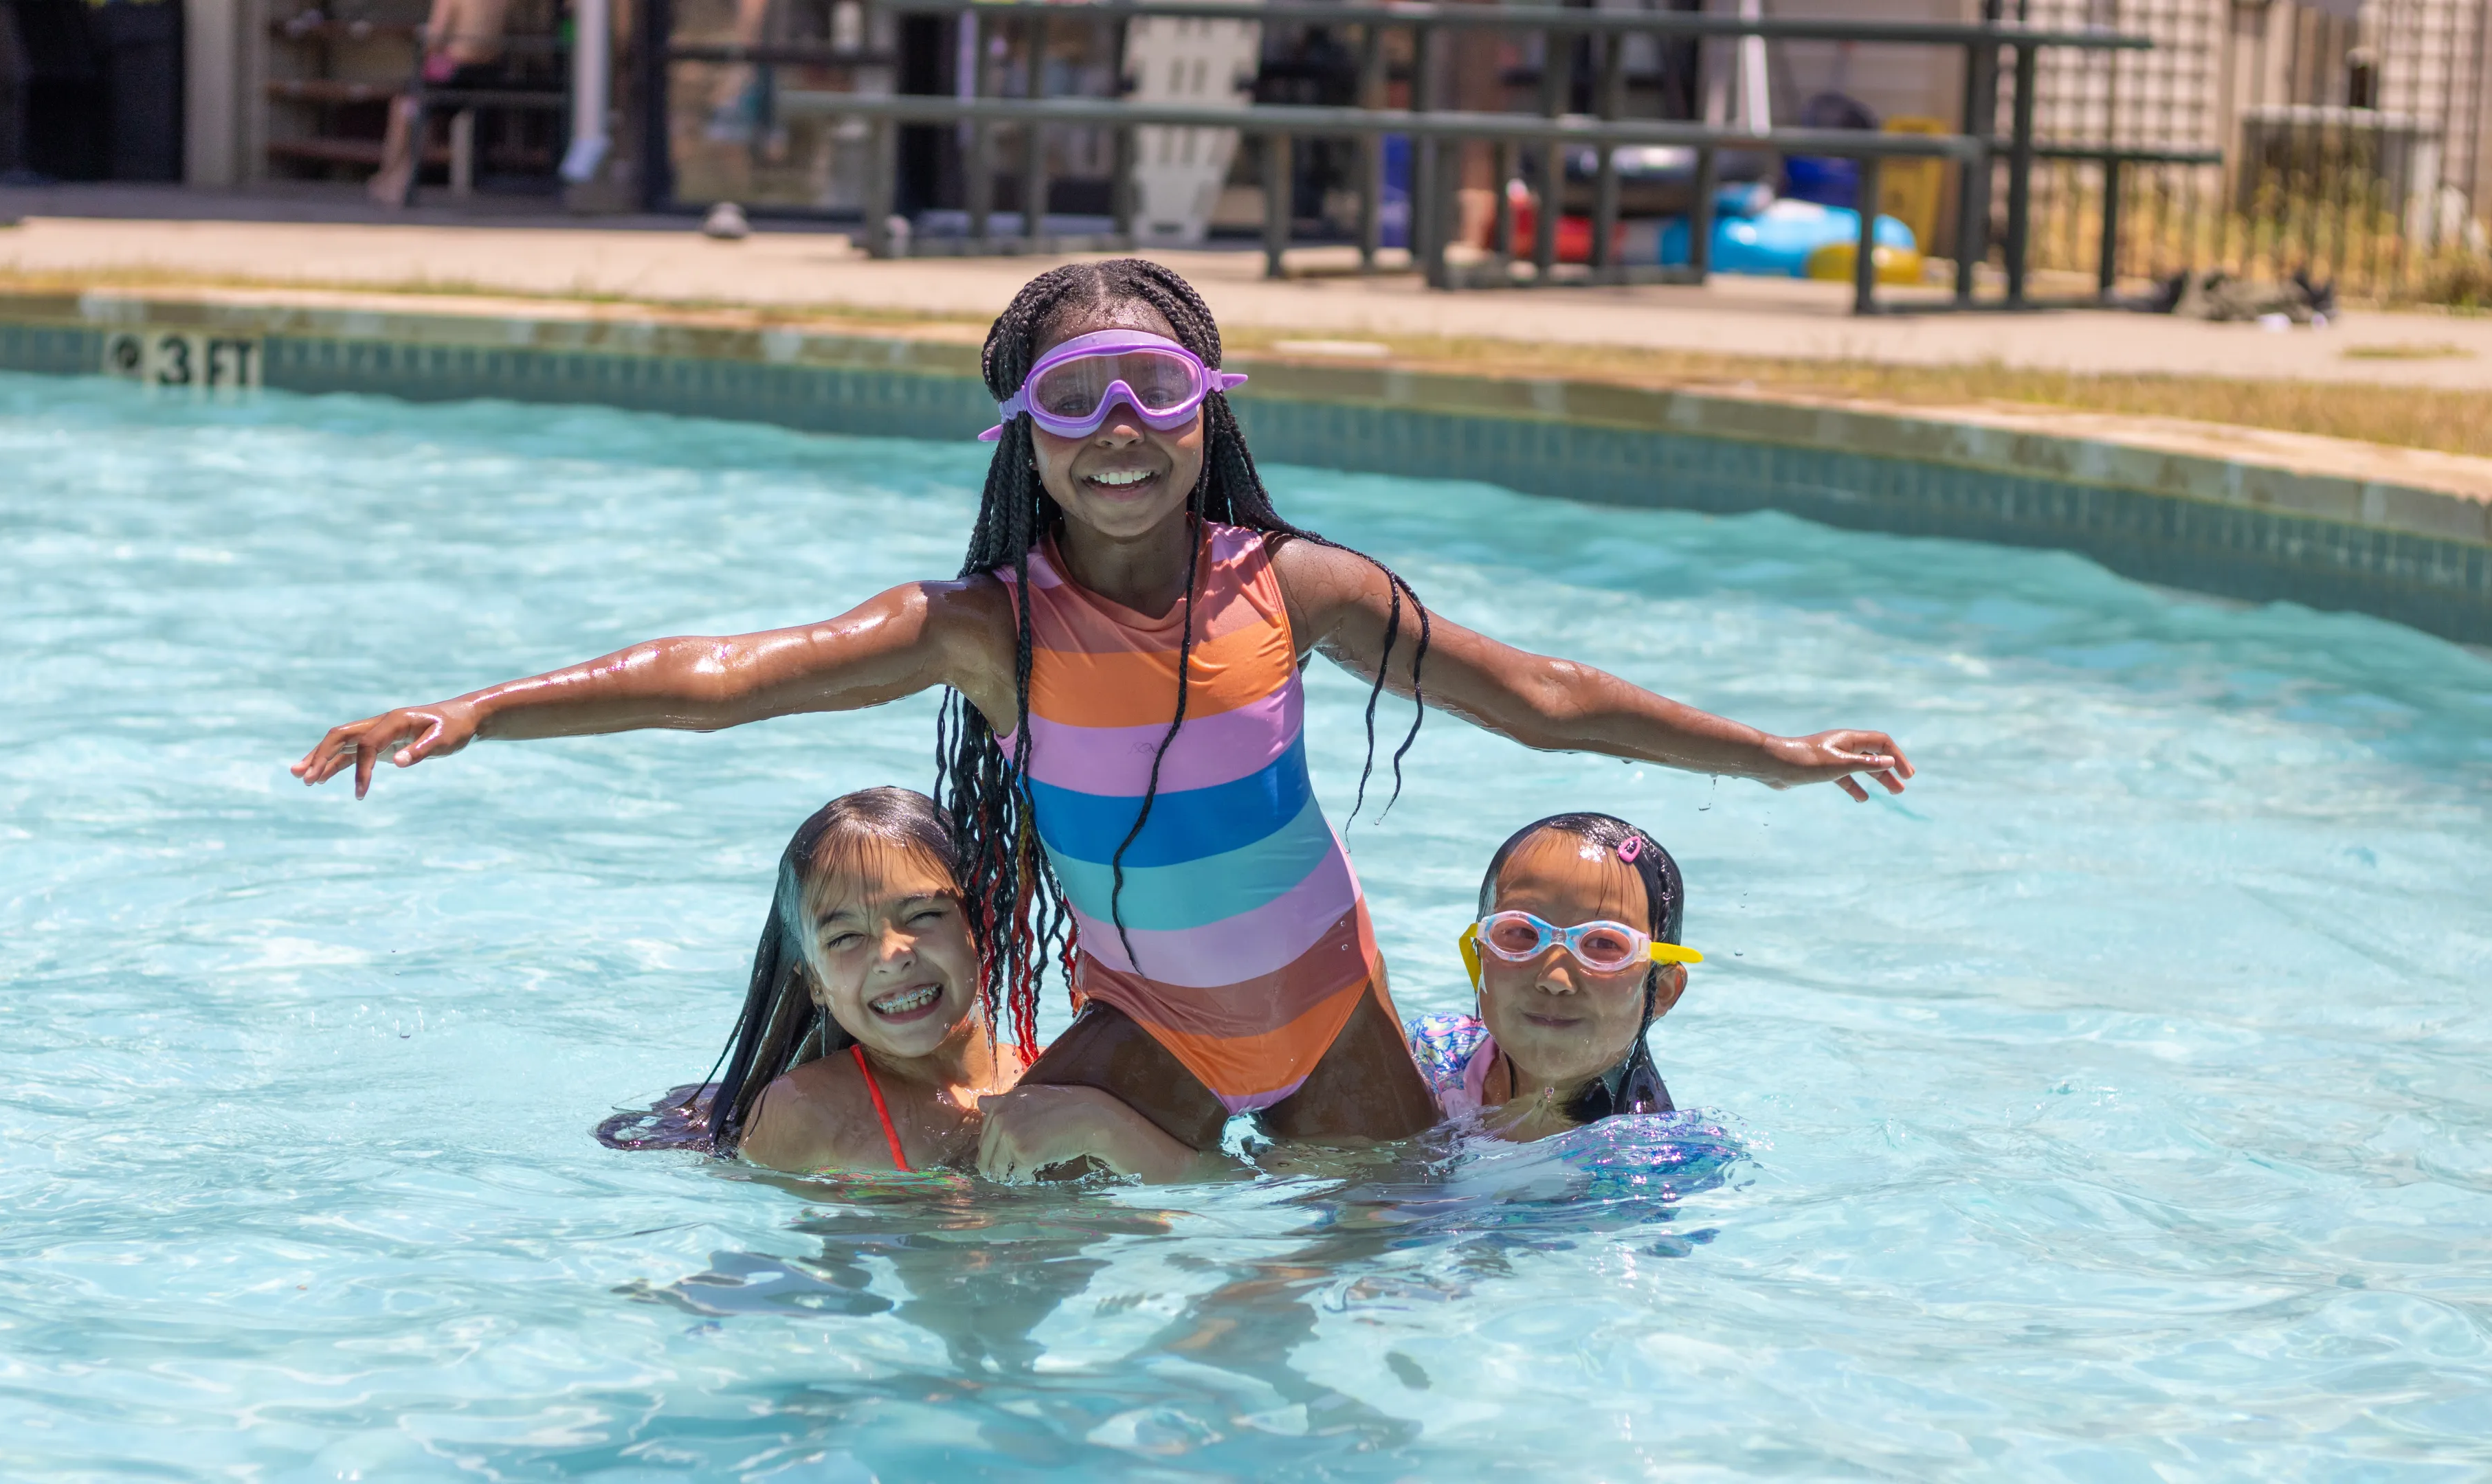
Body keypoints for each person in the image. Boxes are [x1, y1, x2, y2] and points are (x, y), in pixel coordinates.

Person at [291, 258, 1911, 1168]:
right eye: (1074, 401)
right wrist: (480, 711)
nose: (1119, 431)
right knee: (1006, 1183)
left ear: (1208, 416)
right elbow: (725, 677)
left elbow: (1543, 701)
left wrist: (1768, 754)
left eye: (1156, 394)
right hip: (1150, 1013)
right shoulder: (988, 628)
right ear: (1025, 433)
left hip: (1331, 1002)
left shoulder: (1299, 586)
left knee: (1404, 1247)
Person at [678, 785, 1192, 1177]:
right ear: (814, 981)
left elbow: (1216, 1194)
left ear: (981, 925)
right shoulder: (806, 1113)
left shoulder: (1063, 1082)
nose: (891, 956)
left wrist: (1098, 1126)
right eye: (845, 938)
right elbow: (761, 1270)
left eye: (923, 914)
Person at [1410, 813, 1694, 1139]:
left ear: (1662, 991)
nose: (1555, 979)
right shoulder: (1431, 1052)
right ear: (1479, 956)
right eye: (1520, 933)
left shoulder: (1652, 1160)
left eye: (1604, 944)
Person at [366, 0, 514, 207]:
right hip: (490, 76)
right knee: (420, 109)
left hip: (455, 74)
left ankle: (394, 176)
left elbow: (434, 38)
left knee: (405, 106)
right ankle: (397, 175)